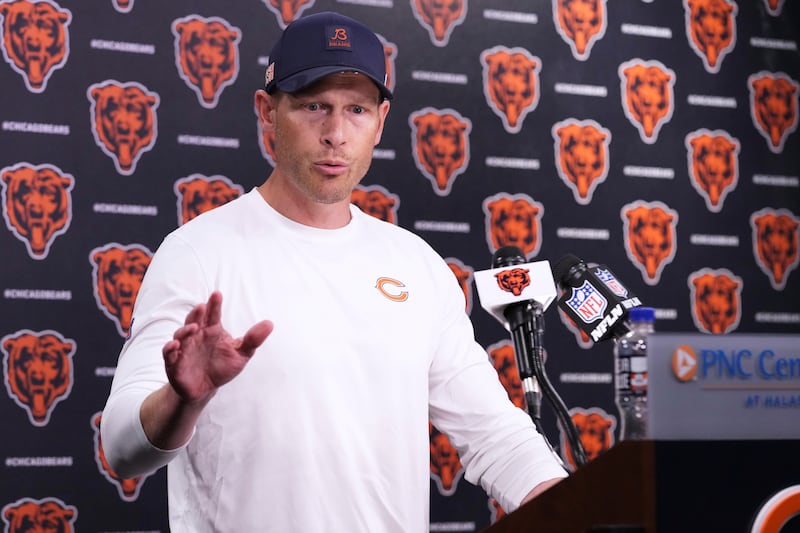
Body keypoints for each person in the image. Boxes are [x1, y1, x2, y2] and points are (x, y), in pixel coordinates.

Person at [100, 10, 567, 532]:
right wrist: (182, 400)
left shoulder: (415, 265)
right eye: (314, 106)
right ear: (267, 111)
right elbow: (121, 448)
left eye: (357, 110)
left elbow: (496, 436)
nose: (336, 134)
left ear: (381, 121)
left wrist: (587, 510)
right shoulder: (198, 254)